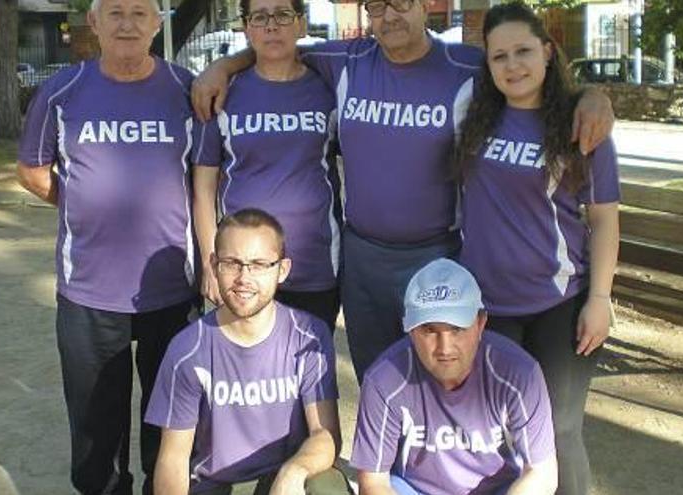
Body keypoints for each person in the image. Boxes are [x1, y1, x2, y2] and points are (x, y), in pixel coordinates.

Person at [191, 0, 615, 382]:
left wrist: (592, 96)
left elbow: (527, 75)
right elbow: (278, 45)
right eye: (376, 7)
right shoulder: (346, 60)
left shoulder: (466, 65)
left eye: (400, 3)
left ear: (424, 6)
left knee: (441, 382)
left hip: (437, 255)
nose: (389, 15)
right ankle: (381, 471)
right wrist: (223, 67)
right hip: (363, 261)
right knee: (376, 378)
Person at [16, 0, 201, 492]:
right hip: (88, 294)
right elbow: (33, 173)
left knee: (169, 418)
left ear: (157, 24)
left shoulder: (187, 89)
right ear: (93, 23)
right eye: (114, 12)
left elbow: (207, 177)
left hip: (173, 287)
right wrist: (84, 204)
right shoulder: (62, 92)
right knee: (97, 423)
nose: (127, 23)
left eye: (140, 13)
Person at [453, 3, 621, 494]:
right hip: (489, 307)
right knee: (502, 433)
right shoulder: (474, 116)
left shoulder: (581, 127)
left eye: (524, 51)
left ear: (548, 51)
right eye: (499, 56)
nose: (513, 65)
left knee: (560, 432)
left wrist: (600, 300)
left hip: (560, 305)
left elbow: (605, 221)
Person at [147, 208, 351, 494]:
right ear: (214, 264)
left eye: (259, 264)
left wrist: (294, 471)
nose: (244, 277)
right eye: (232, 263)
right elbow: (173, 458)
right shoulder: (187, 350)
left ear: (282, 269)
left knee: (325, 486)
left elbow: (325, 435)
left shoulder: (309, 336)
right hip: (215, 485)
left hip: (278, 481)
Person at [192, 0, 341, 333]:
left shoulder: (328, 91)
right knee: (244, 375)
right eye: (259, 17)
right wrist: (209, 262)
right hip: (242, 268)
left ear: (301, 25)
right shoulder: (221, 93)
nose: (271, 26)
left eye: (283, 15)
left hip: (314, 265)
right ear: (246, 28)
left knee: (310, 373)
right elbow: (203, 188)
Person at [351, 258, 557, 495]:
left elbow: (543, 473)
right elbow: (374, 481)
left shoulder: (520, 374)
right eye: (429, 331)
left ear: (480, 324)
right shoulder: (383, 380)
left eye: (457, 329)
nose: (444, 348)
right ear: (409, 329)